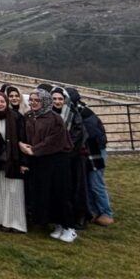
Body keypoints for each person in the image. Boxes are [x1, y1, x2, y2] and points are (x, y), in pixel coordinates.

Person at [20, 89, 77, 242]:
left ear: (44, 102)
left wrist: (34, 150)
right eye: (31, 100)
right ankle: (57, 224)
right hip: (39, 161)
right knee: (47, 193)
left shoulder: (55, 118)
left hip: (57, 161)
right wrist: (23, 146)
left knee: (60, 193)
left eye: (37, 100)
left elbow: (54, 140)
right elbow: (25, 136)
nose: (33, 103)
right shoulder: (29, 116)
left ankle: (69, 227)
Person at [0, 92, 28, 233]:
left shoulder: (16, 117)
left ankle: (16, 223)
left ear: (6, 102)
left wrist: (24, 162)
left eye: (2, 101)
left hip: (13, 159)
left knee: (14, 191)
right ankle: (0, 220)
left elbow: (23, 140)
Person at [75, 89, 114, 226]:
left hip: (95, 153)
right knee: (89, 183)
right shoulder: (82, 111)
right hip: (89, 153)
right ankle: (94, 211)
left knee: (96, 184)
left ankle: (106, 213)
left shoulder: (84, 114)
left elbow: (94, 136)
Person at [53, 87, 90, 229]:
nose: (57, 102)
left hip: (74, 157)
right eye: (54, 99)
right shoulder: (49, 114)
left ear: (65, 100)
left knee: (77, 186)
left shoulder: (73, 114)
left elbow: (78, 136)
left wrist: (66, 150)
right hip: (57, 157)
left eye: (60, 99)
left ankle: (80, 216)